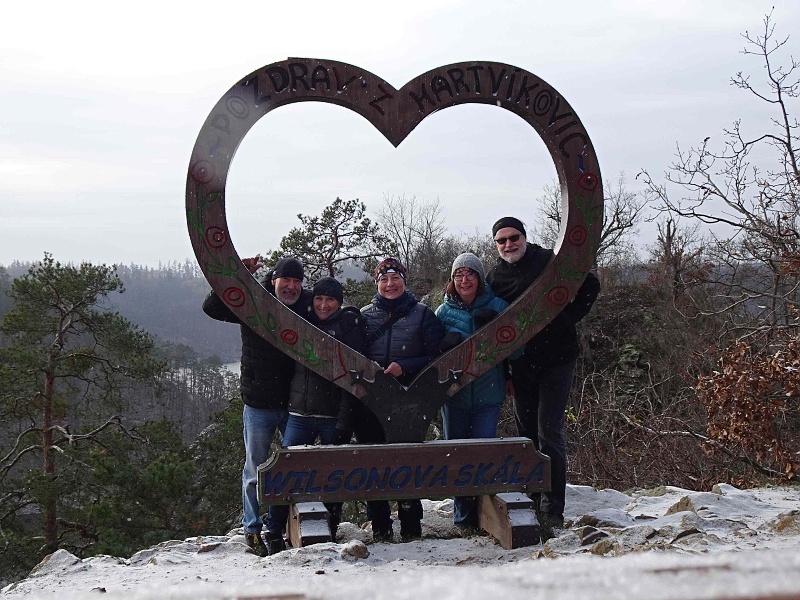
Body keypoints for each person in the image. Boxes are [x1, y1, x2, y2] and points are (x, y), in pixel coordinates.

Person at [486, 216, 600, 535]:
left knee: (549, 432)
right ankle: (533, 501)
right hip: (522, 367)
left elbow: (590, 283)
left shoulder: (549, 261)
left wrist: (567, 318)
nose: (509, 244)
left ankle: (553, 509)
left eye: (514, 237)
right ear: (496, 245)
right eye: (502, 240)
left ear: (524, 237)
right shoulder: (496, 278)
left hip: (558, 360)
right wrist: (506, 371)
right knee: (528, 438)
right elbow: (498, 330)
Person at [202, 256, 311, 557]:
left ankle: (282, 527)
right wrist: (238, 276)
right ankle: (252, 528)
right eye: (285, 280)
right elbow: (213, 307)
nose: (291, 287)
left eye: (296, 282)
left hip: (293, 404)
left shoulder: (306, 304)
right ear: (273, 279)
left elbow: (332, 311)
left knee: (295, 466)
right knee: (255, 469)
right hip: (259, 403)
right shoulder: (252, 301)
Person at [263, 277, 365, 549]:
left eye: (330, 299)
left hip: (332, 416)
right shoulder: (302, 324)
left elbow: (354, 381)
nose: (323, 305)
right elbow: (271, 300)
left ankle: (330, 529)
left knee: (334, 475)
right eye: (319, 299)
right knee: (286, 472)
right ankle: (273, 529)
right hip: (299, 413)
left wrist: (345, 420)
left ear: (339, 303)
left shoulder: (347, 328)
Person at [356, 257, 443, 542]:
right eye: (384, 280)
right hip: (370, 402)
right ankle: (380, 526)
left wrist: (405, 367)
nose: (390, 284)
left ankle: (411, 526)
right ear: (377, 283)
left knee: (407, 461)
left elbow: (435, 357)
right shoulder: (364, 315)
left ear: (404, 281)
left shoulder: (422, 314)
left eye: (395, 279)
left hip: (409, 400)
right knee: (372, 462)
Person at [435, 252, 517, 530]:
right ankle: (463, 520)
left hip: (487, 394)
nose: (464, 279)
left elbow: (519, 351)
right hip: (453, 396)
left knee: (483, 457)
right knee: (457, 457)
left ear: (480, 278)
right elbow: (430, 355)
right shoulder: (443, 312)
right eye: (458, 274)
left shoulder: (498, 305)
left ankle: (485, 516)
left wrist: (495, 334)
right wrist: (443, 347)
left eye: (470, 273)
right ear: (452, 280)